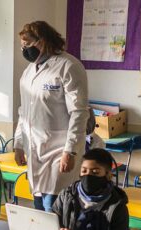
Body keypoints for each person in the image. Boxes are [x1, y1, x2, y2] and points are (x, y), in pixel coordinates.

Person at [14, 20, 89, 212]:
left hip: (60, 149)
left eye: (28, 44)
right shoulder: (28, 72)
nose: (25, 49)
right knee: (39, 204)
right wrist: (18, 144)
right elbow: (24, 112)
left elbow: (79, 112)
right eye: (22, 45)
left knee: (53, 205)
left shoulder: (69, 66)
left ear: (43, 41)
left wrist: (70, 151)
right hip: (34, 148)